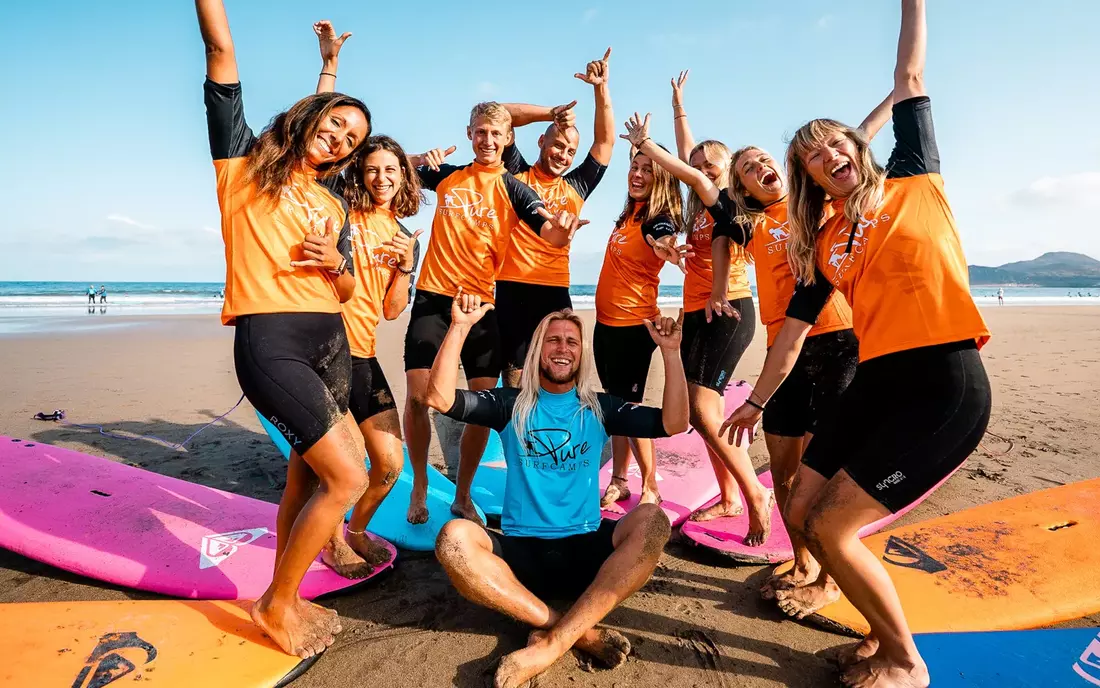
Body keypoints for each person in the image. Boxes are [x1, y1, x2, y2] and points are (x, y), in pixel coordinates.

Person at [722, 2, 991, 685]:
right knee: (801, 507)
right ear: (809, 178)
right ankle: (875, 633)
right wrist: (756, 402)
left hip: (942, 381)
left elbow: (908, 72)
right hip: (877, 381)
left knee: (836, 526)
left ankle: (904, 661)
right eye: (812, 154)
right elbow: (788, 336)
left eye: (835, 141)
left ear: (857, 146)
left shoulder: (913, 176)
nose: (827, 154)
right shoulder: (825, 243)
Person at [637, 87, 891, 608]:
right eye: (749, 168)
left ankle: (831, 578)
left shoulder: (814, 202)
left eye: (764, 160)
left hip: (837, 340)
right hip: (786, 350)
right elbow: (695, 175)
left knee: (828, 469)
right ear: (743, 185)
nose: (759, 168)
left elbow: (857, 139)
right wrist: (654, 144)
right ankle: (802, 562)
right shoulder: (746, 220)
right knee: (785, 466)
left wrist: (900, 92)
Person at [196, 0, 372, 659]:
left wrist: (339, 264)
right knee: (348, 479)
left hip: (331, 343)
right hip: (273, 345)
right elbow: (221, 57)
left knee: (304, 482)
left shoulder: (330, 199)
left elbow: (349, 287)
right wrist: (327, 71)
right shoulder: (242, 167)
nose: (343, 140)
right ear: (311, 118)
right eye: (337, 125)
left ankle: (285, 590)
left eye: (354, 138)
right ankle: (274, 603)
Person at [427, 294, 687, 688]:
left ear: (581, 354)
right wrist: (460, 327)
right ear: (538, 350)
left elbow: (675, 422)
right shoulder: (510, 404)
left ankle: (549, 645)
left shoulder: (600, 407)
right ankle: (575, 631)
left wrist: (671, 353)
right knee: (452, 540)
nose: (562, 348)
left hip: (587, 550)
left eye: (571, 341)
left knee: (652, 521)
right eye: (553, 340)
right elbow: (439, 398)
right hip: (520, 556)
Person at [403, 101, 586, 526]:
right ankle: (418, 484)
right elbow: (385, 164)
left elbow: (550, 232)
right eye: (481, 132)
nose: (487, 141)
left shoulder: (516, 188)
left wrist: (563, 229)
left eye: (496, 134)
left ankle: (463, 494)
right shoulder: (448, 175)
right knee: (417, 398)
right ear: (470, 133)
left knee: (481, 406)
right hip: (434, 299)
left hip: (482, 306)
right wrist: (418, 158)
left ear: (508, 140)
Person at [618, 74, 773, 547]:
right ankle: (728, 496)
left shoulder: (730, 203)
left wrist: (645, 141)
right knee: (699, 412)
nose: (703, 167)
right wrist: (679, 105)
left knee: (704, 413)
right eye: (700, 163)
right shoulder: (702, 200)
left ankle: (754, 498)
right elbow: (690, 158)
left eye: (713, 164)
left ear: (728, 171)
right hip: (698, 311)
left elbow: (689, 169)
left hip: (729, 309)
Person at [309, 22, 425, 576]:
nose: (380, 176)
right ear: (360, 172)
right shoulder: (341, 209)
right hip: (324, 348)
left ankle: (354, 528)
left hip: (364, 353)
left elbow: (392, 310)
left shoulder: (405, 233)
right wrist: (329, 65)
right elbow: (314, 132)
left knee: (389, 463)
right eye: (372, 168)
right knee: (349, 462)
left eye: (390, 169)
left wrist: (406, 266)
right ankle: (331, 540)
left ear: (404, 175)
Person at [495, 48, 616, 388]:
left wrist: (600, 88)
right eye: (558, 145)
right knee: (516, 381)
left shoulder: (576, 186)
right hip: (511, 288)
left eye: (570, 151)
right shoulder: (515, 171)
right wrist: (551, 113)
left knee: (561, 377)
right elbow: (499, 115)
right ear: (541, 140)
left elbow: (605, 141)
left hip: (554, 290)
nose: (563, 155)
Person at [595, 140, 691, 509]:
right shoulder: (630, 214)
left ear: (662, 180)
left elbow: (663, 232)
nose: (637, 174)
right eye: (635, 167)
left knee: (629, 408)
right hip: (607, 326)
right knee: (616, 405)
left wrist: (668, 244)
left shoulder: (655, 216)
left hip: (633, 329)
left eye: (648, 169)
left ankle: (650, 485)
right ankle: (620, 478)